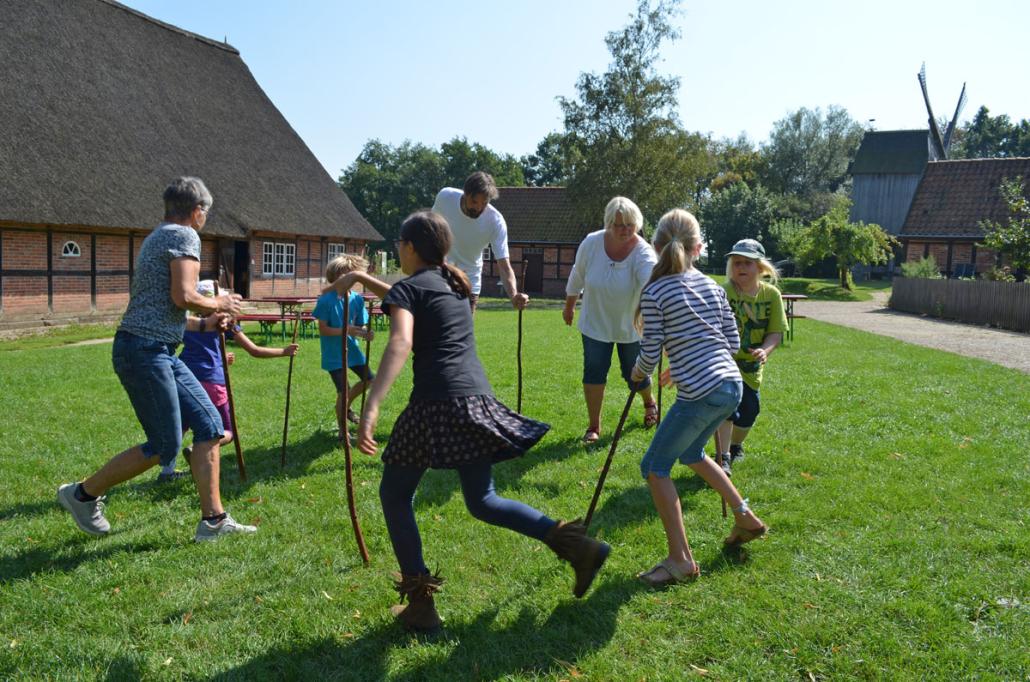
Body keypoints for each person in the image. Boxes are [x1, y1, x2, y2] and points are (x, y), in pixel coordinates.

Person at [330, 210, 609, 632]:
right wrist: (364, 281)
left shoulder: (411, 287)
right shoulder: (453, 284)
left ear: (408, 248)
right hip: (474, 398)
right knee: (483, 500)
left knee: (394, 494)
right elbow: (409, 296)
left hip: (435, 403)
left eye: (398, 247)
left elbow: (401, 338)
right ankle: (576, 545)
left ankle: (421, 605)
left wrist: (371, 407)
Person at [57, 177, 256, 542]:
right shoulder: (184, 236)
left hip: (157, 349)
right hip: (144, 351)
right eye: (205, 214)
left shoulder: (158, 236)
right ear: (197, 212)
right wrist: (221, 302)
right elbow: (182, 295)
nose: (204, 220)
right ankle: (81, 494)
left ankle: (213, 522)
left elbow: (168, 311)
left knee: (210, 426)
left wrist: (207, 322)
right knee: (164, 444)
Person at [630, 209, 768, 586]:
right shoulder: (711, 286)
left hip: (702, 392)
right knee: (692, 454)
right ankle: (744, 516)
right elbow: (733, 342)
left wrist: (639, 374)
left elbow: (650, 350)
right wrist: (692, 361)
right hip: (731, 385)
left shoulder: (656, 290)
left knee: (654, 467)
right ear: (699, 248)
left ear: (656, 247)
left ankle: (680, 561)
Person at [160, 279, 299, 481]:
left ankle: (167, 471)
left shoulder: (189, 323)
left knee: (182, 425)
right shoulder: (225, 323)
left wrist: (220, 358)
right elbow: (254, 350)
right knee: (226, 431)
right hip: (212, 382)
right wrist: (284, 351)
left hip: (184, 378)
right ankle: (195, 450)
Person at [563, 196, 659, 444]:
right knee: (594, 371)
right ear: (608, 223)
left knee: (635, 374)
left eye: (629, 225)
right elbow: (578, 274)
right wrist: (569, 305)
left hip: (631, 327)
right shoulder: (592, 243)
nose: (624, 230)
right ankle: (594, 426)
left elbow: (651, 281)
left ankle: (649, 403)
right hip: (595, 323)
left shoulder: (643, 252)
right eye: (618, 225)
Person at [712, 239, 787, 476]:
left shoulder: (772, 295)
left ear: (761, 268)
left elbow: (775, 332)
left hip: (751, 367)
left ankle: (735, 445)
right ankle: (723, 457)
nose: (741, 268)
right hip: (725, 363)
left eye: (747, 263)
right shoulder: (723, 292)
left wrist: (765, 350)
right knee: (727, 409)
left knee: (749, 412)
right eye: (736, 263)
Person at [431, 171, 528, 313]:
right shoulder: (445, 197)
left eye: (484, 203)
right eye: (474, 201)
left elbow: (504, 266)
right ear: (465, 193)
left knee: (460, 334)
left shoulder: (495, 222)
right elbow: (430, 226)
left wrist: (513, 295)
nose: (478, 208)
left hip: (468, 284)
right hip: (439, 276)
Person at [313, 254, 375, 437]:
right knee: (344, 390)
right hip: (334, 353)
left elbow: (361, 324)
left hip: (352, 350)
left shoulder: (357, 299)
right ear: (334, 276)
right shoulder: (326, 300)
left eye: (350, 274)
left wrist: (364, 333)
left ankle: (344, 406)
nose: (347, 279)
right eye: (343, 274)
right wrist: (346, 330)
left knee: (370, 380)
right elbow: (323, 330)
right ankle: (343, 429)